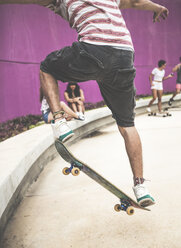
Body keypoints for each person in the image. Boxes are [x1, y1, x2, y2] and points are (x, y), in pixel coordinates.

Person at [1, 0, 169, 207]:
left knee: (46, 68)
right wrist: (157, 7)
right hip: (125, 56)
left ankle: (60, 121)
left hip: (94, 50)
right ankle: (141, 186)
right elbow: (134, 1)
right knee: (127, 125)